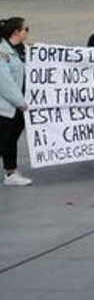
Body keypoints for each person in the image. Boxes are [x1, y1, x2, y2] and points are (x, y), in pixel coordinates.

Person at [0, 18, 30, 185]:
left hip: (17, 107)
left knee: (10, 140)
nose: (27, 31)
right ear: (16, 32)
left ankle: (11, 172)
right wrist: (19, 101)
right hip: (6, 107)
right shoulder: (2, 52)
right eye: (25, 28)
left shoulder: (20, 50)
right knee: (3, 140)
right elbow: (4, 82)